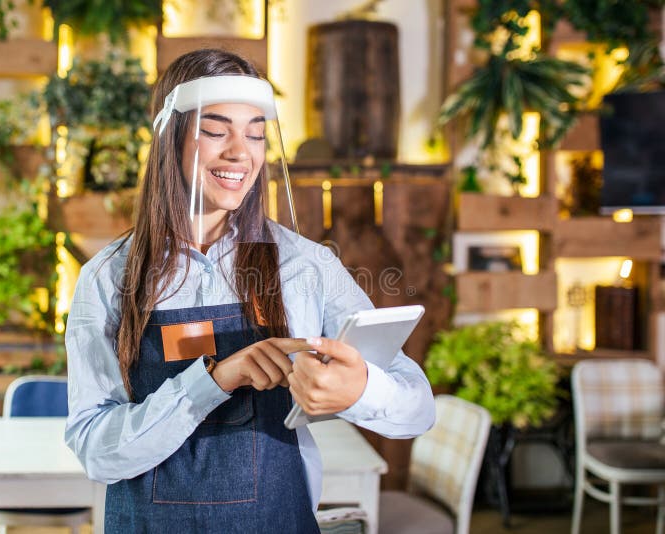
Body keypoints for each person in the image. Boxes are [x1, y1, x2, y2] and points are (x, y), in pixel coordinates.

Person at [64, 48, 435, 533]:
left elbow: (419, 407)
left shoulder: (306, 266)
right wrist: (214, 380)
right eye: (216, 131)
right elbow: (97, 452)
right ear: (169, 139)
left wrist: (359, 388)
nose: (240, 151)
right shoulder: (109, 278)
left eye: (255, 133)